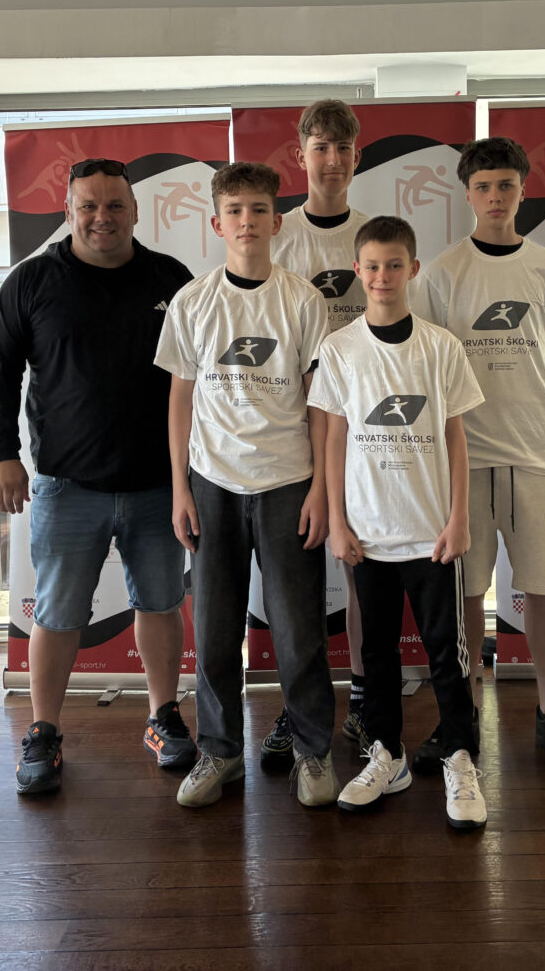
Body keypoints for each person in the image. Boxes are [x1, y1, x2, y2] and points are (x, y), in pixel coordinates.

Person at [0, 157, 196, 795]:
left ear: (135, 210)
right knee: (57, 613)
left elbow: (202, 379)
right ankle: (43, 731)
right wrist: (0, 453)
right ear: (69, 211)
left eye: (115, 205)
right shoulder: (32, 281)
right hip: (66, 485)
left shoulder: (171, 279)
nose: (103, 217)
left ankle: (162, 717)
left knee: (161, 603)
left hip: (159, 485)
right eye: (89, 206)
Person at [412, 137, 545, 775]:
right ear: (467, 195)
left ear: (523, 190)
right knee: (467, 595)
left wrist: (524, 411)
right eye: (483, 187)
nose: (495, 197)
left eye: (506, 186)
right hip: (464, 459)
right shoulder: (442, 273)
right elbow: (429, 364)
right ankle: (463, 717)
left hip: (536, 455)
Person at [154, 161, 339, 808]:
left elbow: (321, 404)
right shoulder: (192, 302)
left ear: (276, 221)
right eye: (234, 210)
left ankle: (313, 754)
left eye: (259, 209)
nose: (247, 221)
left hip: (288, 482)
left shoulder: (303, 300)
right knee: (214, 630)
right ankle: (220, 751)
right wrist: (180, 488)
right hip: (212, 484)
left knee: (298, 631)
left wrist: (321, 489)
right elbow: (180, 400)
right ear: (216, 224)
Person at [311, 215, 488, 829]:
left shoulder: (441, 348)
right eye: (372, 266)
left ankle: (461, 759)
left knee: (447, 656)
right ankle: (387, 756)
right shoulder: (339, 349)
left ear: (412, 269)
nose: (382, 276)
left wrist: (459, 518)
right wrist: (338, 522)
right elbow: (334, 439)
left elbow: (457, 439)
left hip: (432, 535)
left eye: (394, 265)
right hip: (367, 536)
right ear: (357, 271)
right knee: (376, 654)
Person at [262, 98, 374, 766]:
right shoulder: (279, 238)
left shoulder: (375, 236)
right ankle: (297, 705)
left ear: (357, 157)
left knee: (360, 572)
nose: (332, 160)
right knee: (295, 587)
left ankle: (362, 699)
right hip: (295, 429)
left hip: (368, 432)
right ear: (300, 155)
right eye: (320, 147)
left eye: (343, 148)